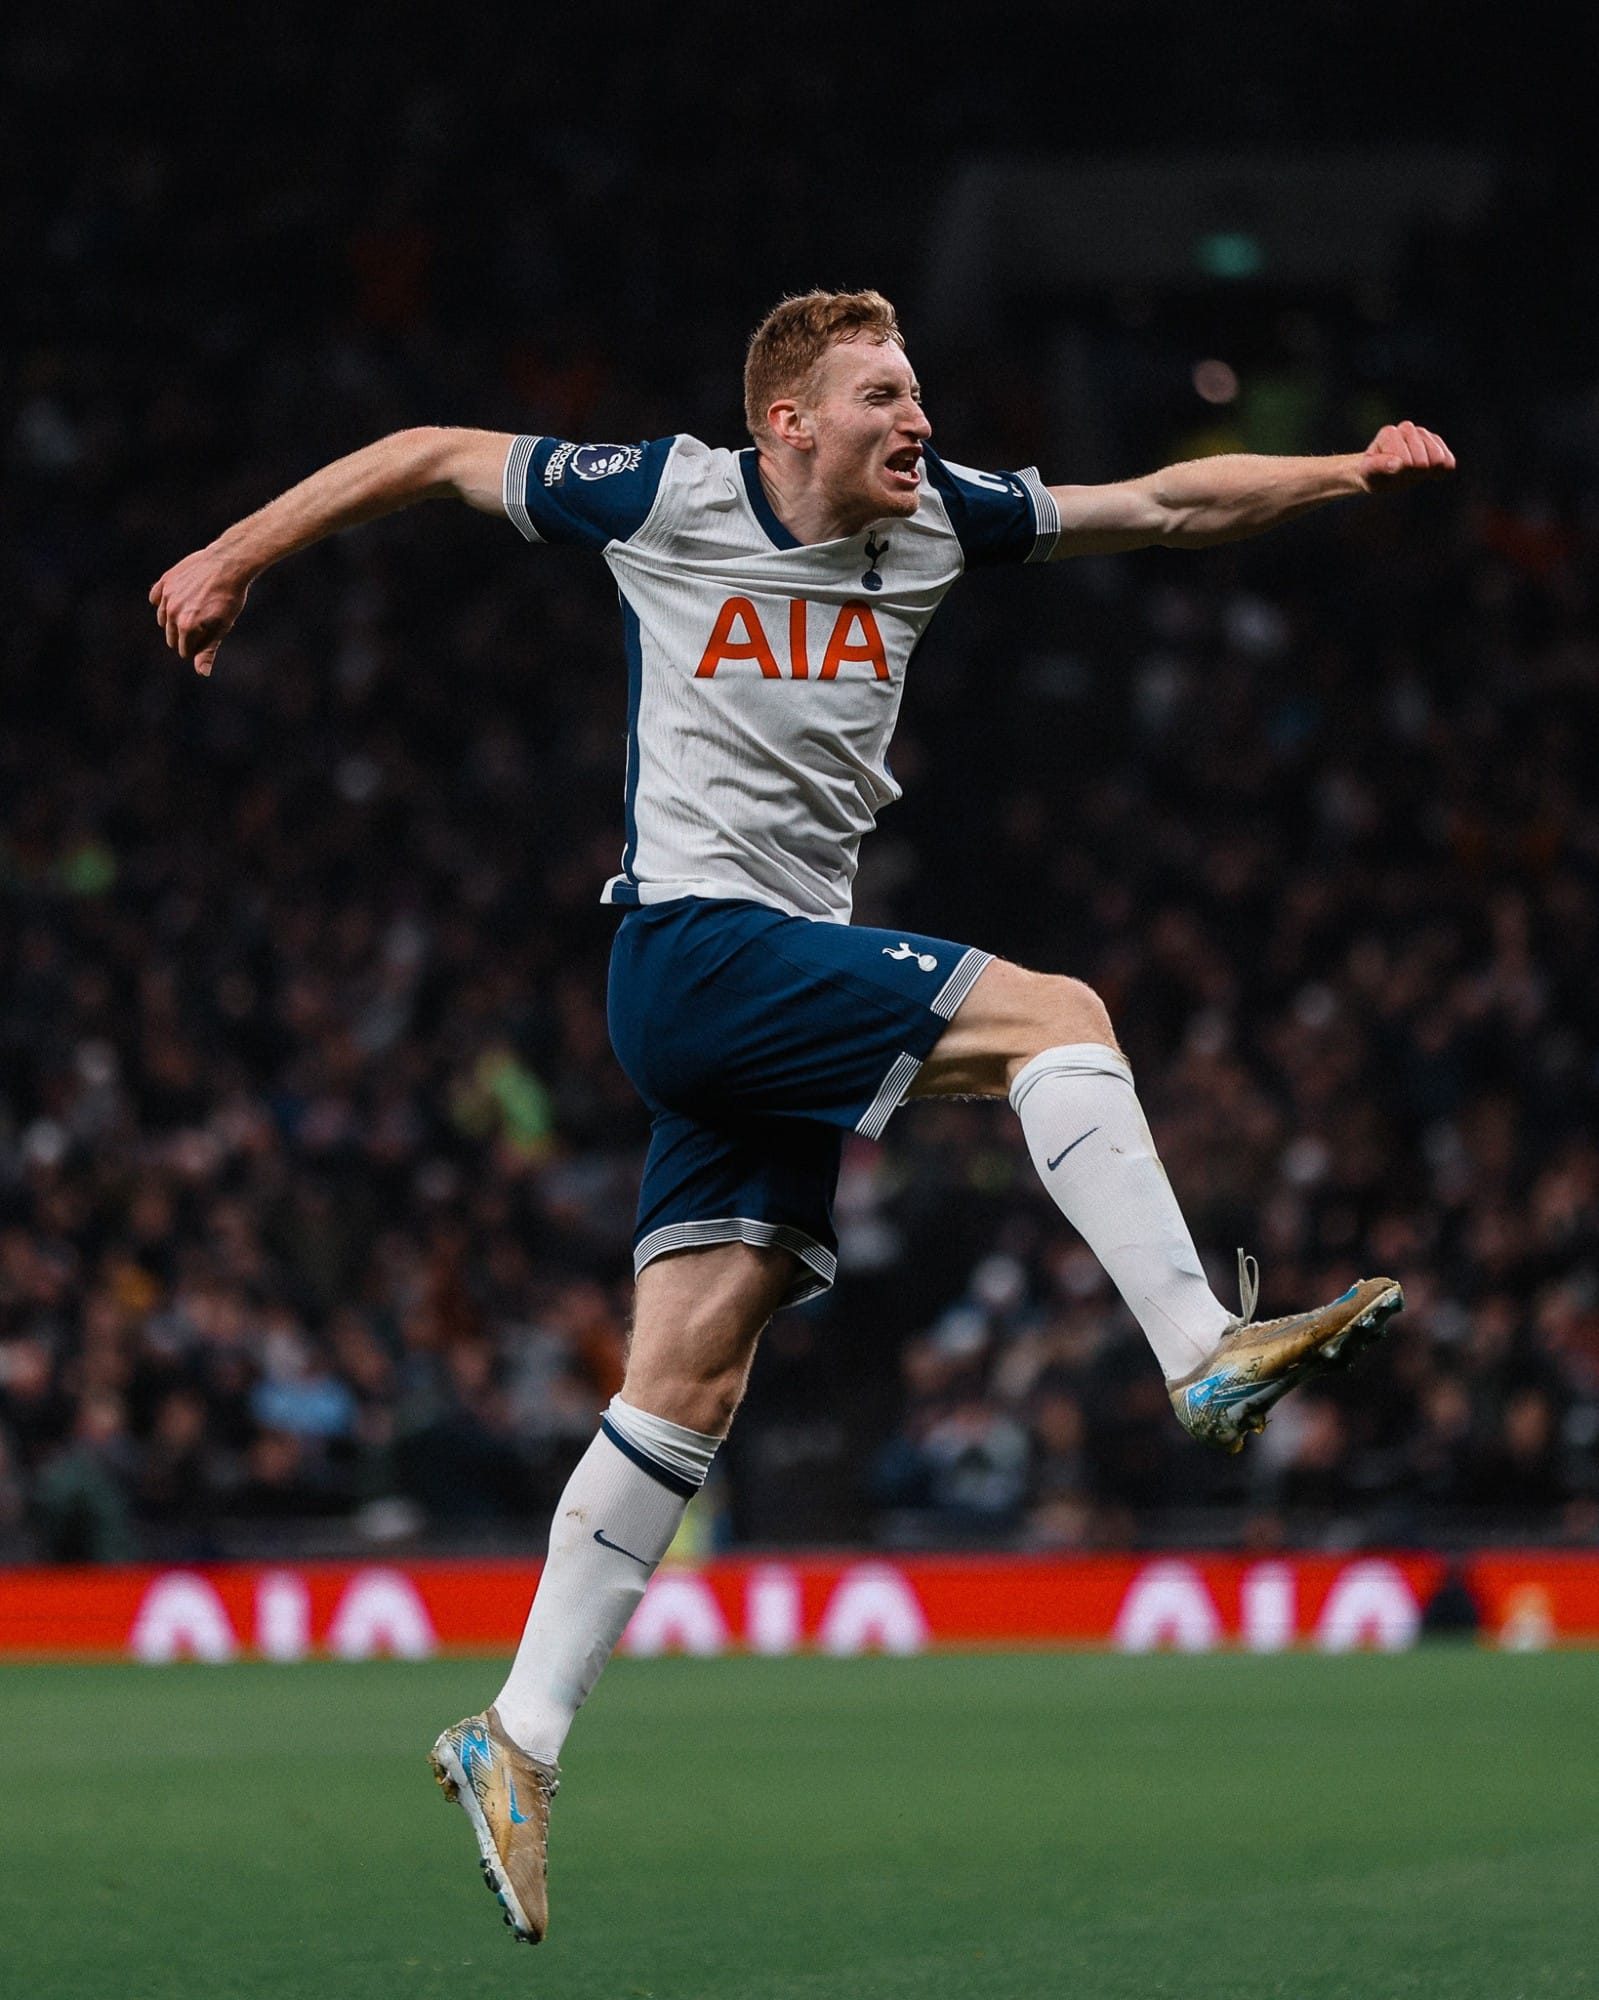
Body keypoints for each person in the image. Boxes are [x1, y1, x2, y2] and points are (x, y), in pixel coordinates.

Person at [151, 288, 1455, 1944]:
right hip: (690, 956)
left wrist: (1353, 468)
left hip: (760, 1003)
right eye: (885, 396)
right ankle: (1199, 1346)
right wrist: (233, 553)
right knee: (1062, 1016)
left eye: (919, 394)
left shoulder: (942, 526)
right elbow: (425, 455)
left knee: (689, 1377)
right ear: (790, 422)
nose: (921, 421)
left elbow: (1169, 504)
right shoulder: (664, 496)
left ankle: (517, 1736)